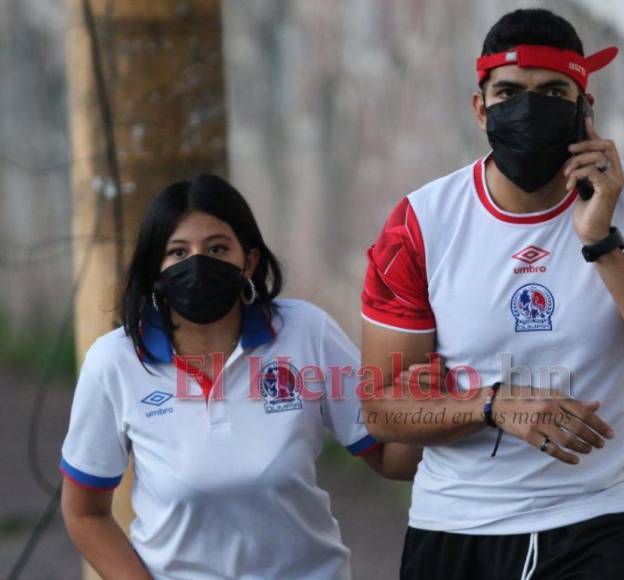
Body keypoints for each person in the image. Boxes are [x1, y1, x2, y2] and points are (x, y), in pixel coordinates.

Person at [360, 9, 624, 580]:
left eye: (553, 91)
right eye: (508, 92)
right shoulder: (421, 222)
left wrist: (602, 243)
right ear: (480, 107)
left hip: (603, 516)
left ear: (585, 109)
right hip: (457, 526)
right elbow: (381, 409)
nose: (529, 108)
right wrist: (492, 405)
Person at [59, 175, 421, 579]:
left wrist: (432, 401)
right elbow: (84, 512)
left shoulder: (306, 333)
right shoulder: (116, 361)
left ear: (248, 261)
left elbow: (392, 460)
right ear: (155, 269)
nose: (197, 264)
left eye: (217, 248)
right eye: (178, 252)